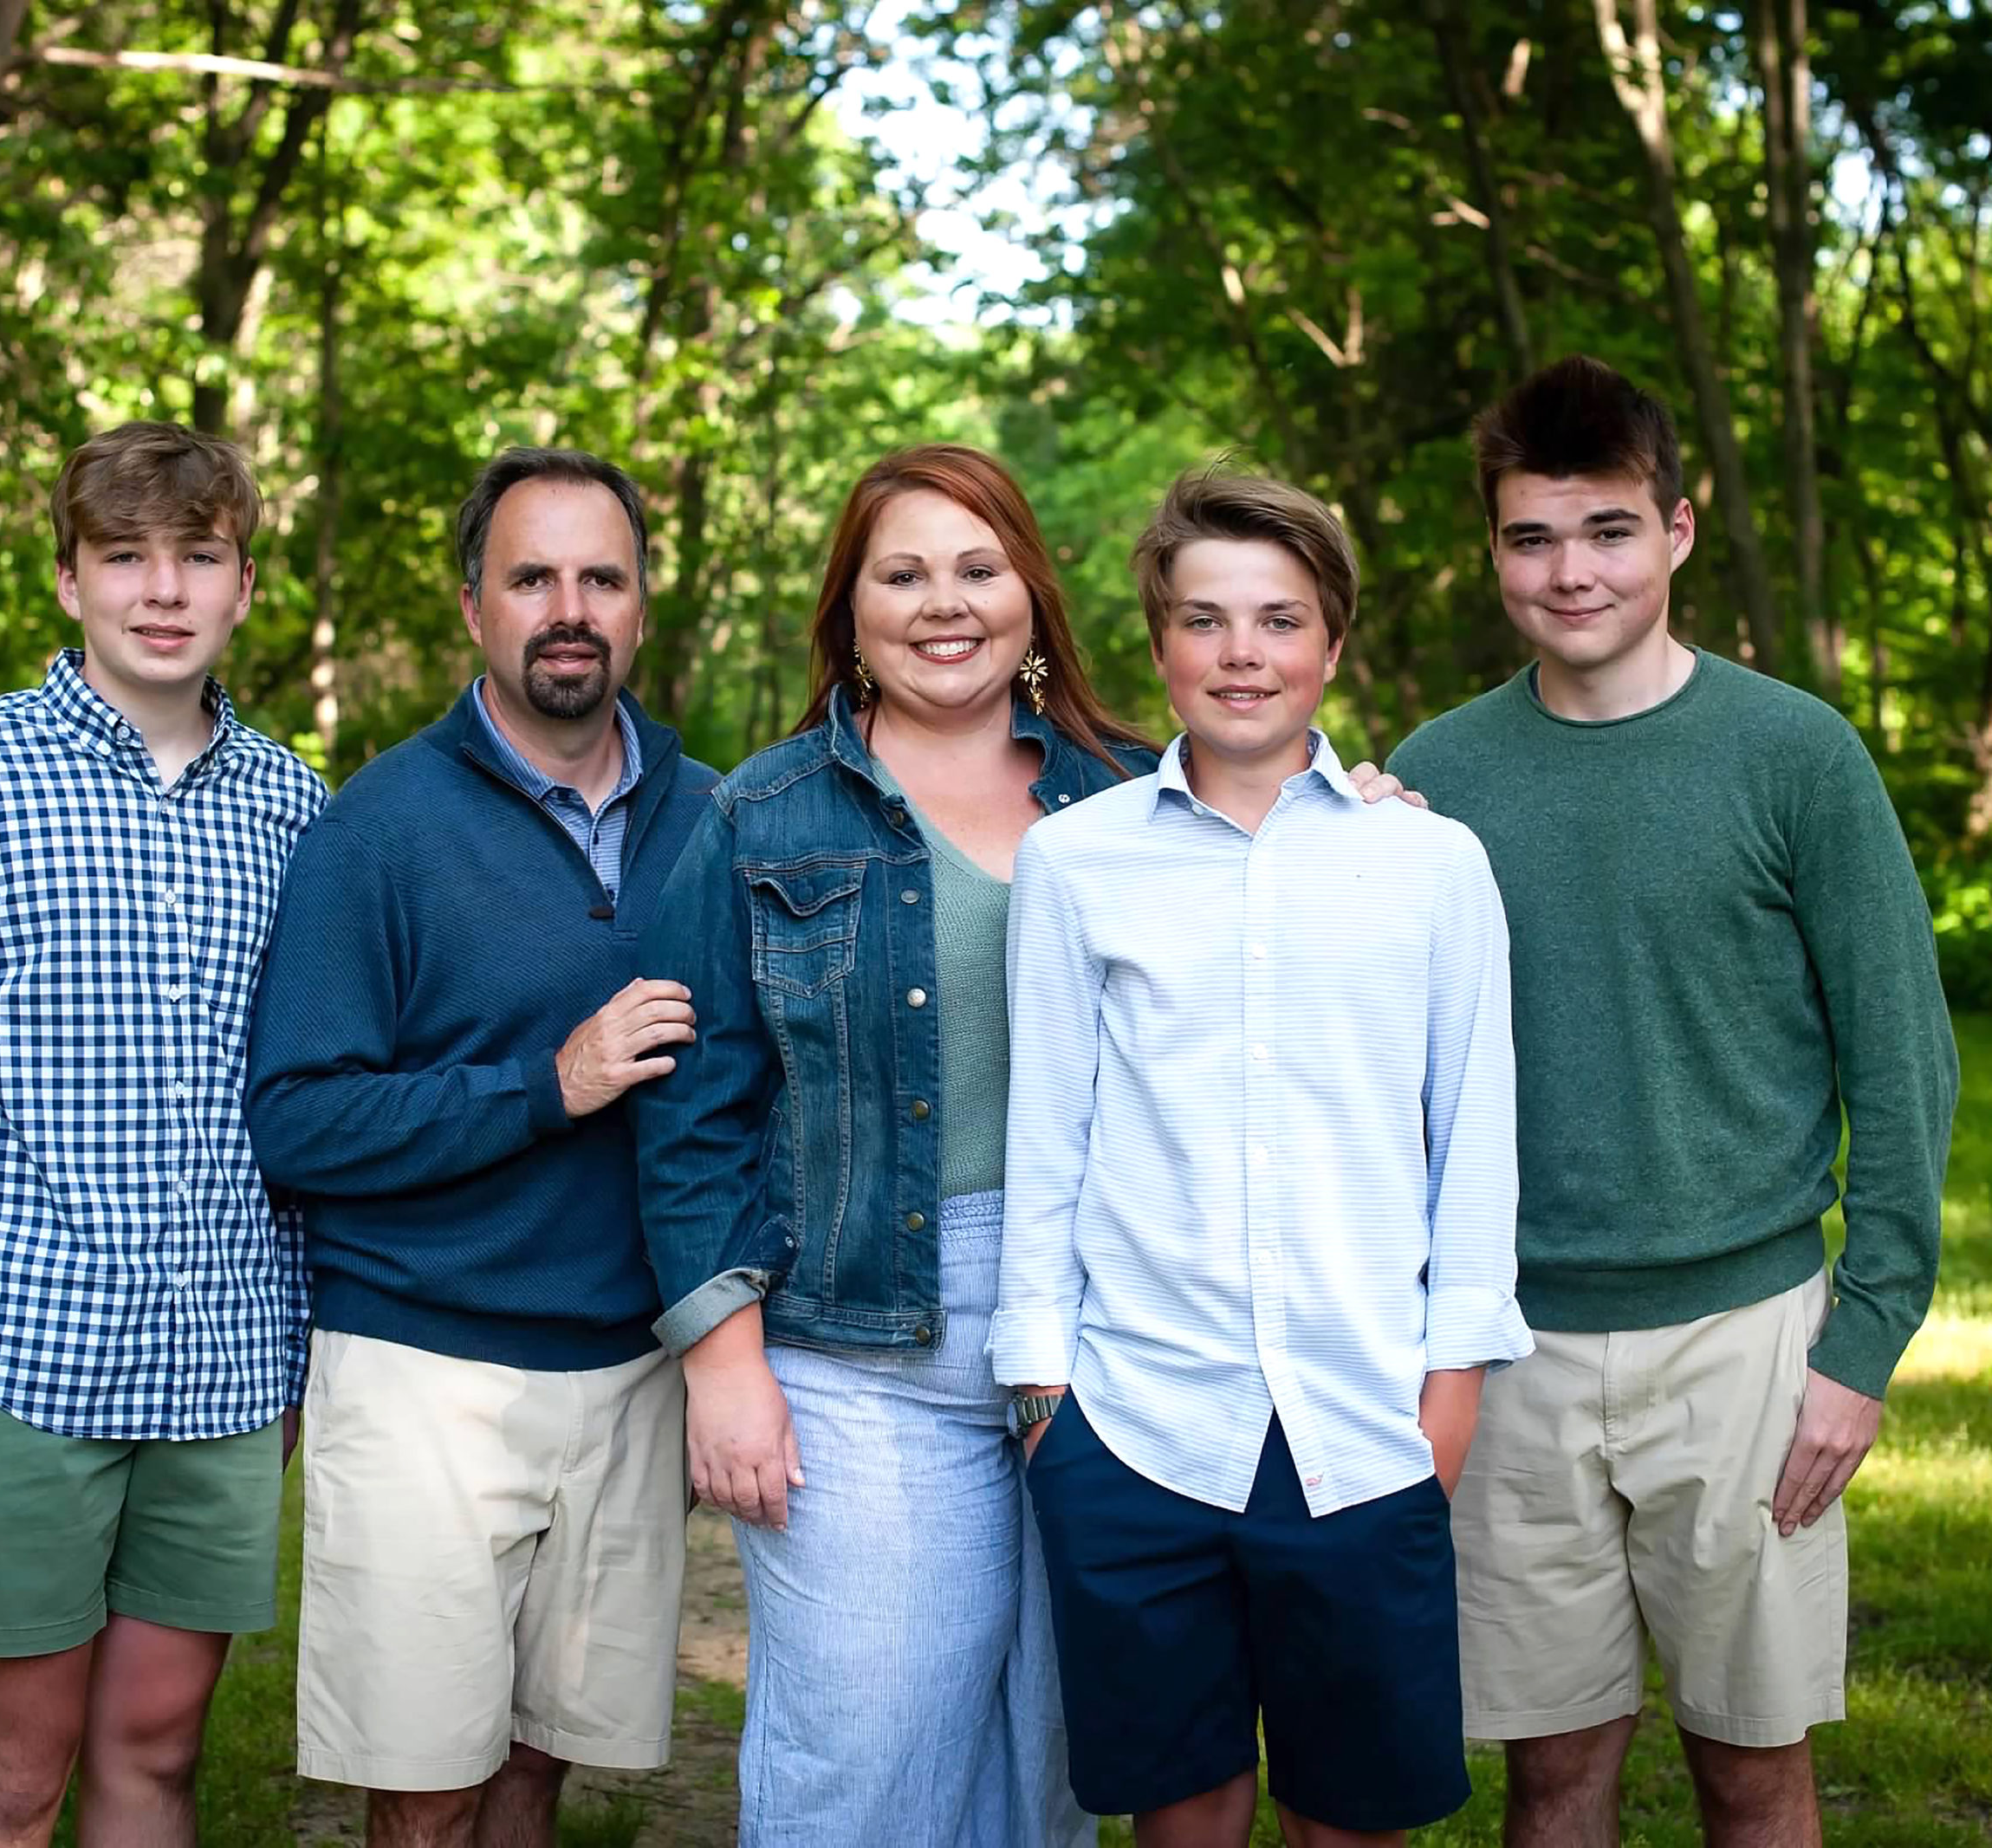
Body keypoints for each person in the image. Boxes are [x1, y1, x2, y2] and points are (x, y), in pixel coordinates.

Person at [631, 444, 1417, 1845]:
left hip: (1120, 1339)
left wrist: (1363, 826)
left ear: (1031, 594)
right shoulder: (762, 815)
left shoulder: (1132, 795)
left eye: (979, 568)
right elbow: (691, 1113)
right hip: (860, 1338)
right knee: (865, 1753)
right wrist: (722, 1358)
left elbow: (1286, 953)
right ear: (851, 609)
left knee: (1049, 1760)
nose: (947, 603)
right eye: (904, 573)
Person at [1387, 355, 1960, 1847]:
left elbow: (1904, 1057)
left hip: (1749, 1343)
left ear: (1679, 532)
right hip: (1513, 1347)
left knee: (1752, 1768)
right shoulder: (1437, 778)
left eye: (1609, 530)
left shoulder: (1795, 756)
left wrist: (1865, 1341)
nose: (1571, 571)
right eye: (1532, 537)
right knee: (1557, 1772)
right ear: (1493, 550)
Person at [0, 423, 324, 1847]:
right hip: (19, 1349)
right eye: (124, 558)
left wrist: (302, 1343)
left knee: (155, 1755)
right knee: (14, 1774)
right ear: (68, 581)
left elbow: (311, 1102)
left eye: (198, 556)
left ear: (241, 584)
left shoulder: (297, 807)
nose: (163, 589)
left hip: (225, 1361)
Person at [997, 466, 1528, 1848]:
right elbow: (1049, 1133)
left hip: (1366, 1427)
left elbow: (1473, 1140)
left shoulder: (1434, 866)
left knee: (1349, 1811)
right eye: (1207, 619)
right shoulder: (1077, 862)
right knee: (1186, 1808)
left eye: (1281, 619)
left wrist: (1448, 1393)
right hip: (1135, 1421)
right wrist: (1044, 1392)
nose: (1244, 654)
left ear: (1333, 644)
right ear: (1160, 644)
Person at [243, 446, 713, 1848]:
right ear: (473, 609)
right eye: (531, 577)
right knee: (429, 1786)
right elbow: (299, 1116)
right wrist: (544, 1085)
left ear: (640, 606)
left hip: (634, 1367)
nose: (567, 607)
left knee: (535, 1766)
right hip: (423, 1364)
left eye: (601, 577)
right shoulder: (377, 828)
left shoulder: (716, 817)